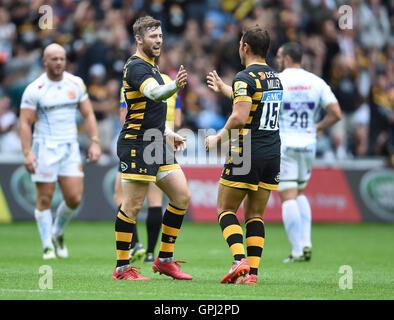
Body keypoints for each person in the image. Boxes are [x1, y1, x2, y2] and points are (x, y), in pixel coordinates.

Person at [112, 16, 192, 281]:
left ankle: (165, 260)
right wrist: (175, 86)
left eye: (160, 36)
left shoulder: (152, 67)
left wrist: (168, 133)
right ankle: (122, 268)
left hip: (156, 143)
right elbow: (154, 95)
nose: (158, 41)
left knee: (181, 196)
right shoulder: (136, 67)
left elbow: (149, 113)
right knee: (132, 207)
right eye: (153, 37)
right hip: (136, 144)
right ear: (139, 39)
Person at [205, 26, 282, 285]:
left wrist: (217, 138)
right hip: (272, 151)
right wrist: (225, 89)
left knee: (225, 209)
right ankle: (253, 275)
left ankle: (239, 260)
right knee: (255, 215)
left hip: (246, 150)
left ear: (245, 47)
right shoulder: (274, 78)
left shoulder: (244, 77)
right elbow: (254, 103)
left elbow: (239, 116)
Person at [19, 43, 102, 260]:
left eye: (62, 59)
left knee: (74, 198)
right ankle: (47, 246)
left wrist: (94, 142)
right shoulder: (35, 89)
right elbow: (25, 123)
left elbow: (89, 115)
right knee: (44, 198)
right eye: (54, 59)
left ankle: (57, 231)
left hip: (70, 147)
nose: (58, 63)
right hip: (44, 147)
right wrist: (27, 153)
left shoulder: (76, 83)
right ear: (45, 61)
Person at [275, 42, 342, 262]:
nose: (276, 61)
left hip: (285, 144)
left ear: (285, 59)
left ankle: (296, 251)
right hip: (308, 143)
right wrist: (318, 127)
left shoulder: (278, 81)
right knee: (300, 192)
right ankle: (306, 243)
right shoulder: (316, 82)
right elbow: (336, 113)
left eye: (278, 57)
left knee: (287, 196)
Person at [113, 73, 182, 264]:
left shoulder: (133, 81)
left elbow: (124, 116)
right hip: (162, 143)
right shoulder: (169, 81)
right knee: (155, 201)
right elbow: (177, 120)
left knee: (122, 198)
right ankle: (151, 253)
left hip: (139, 141)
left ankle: (135, 246)